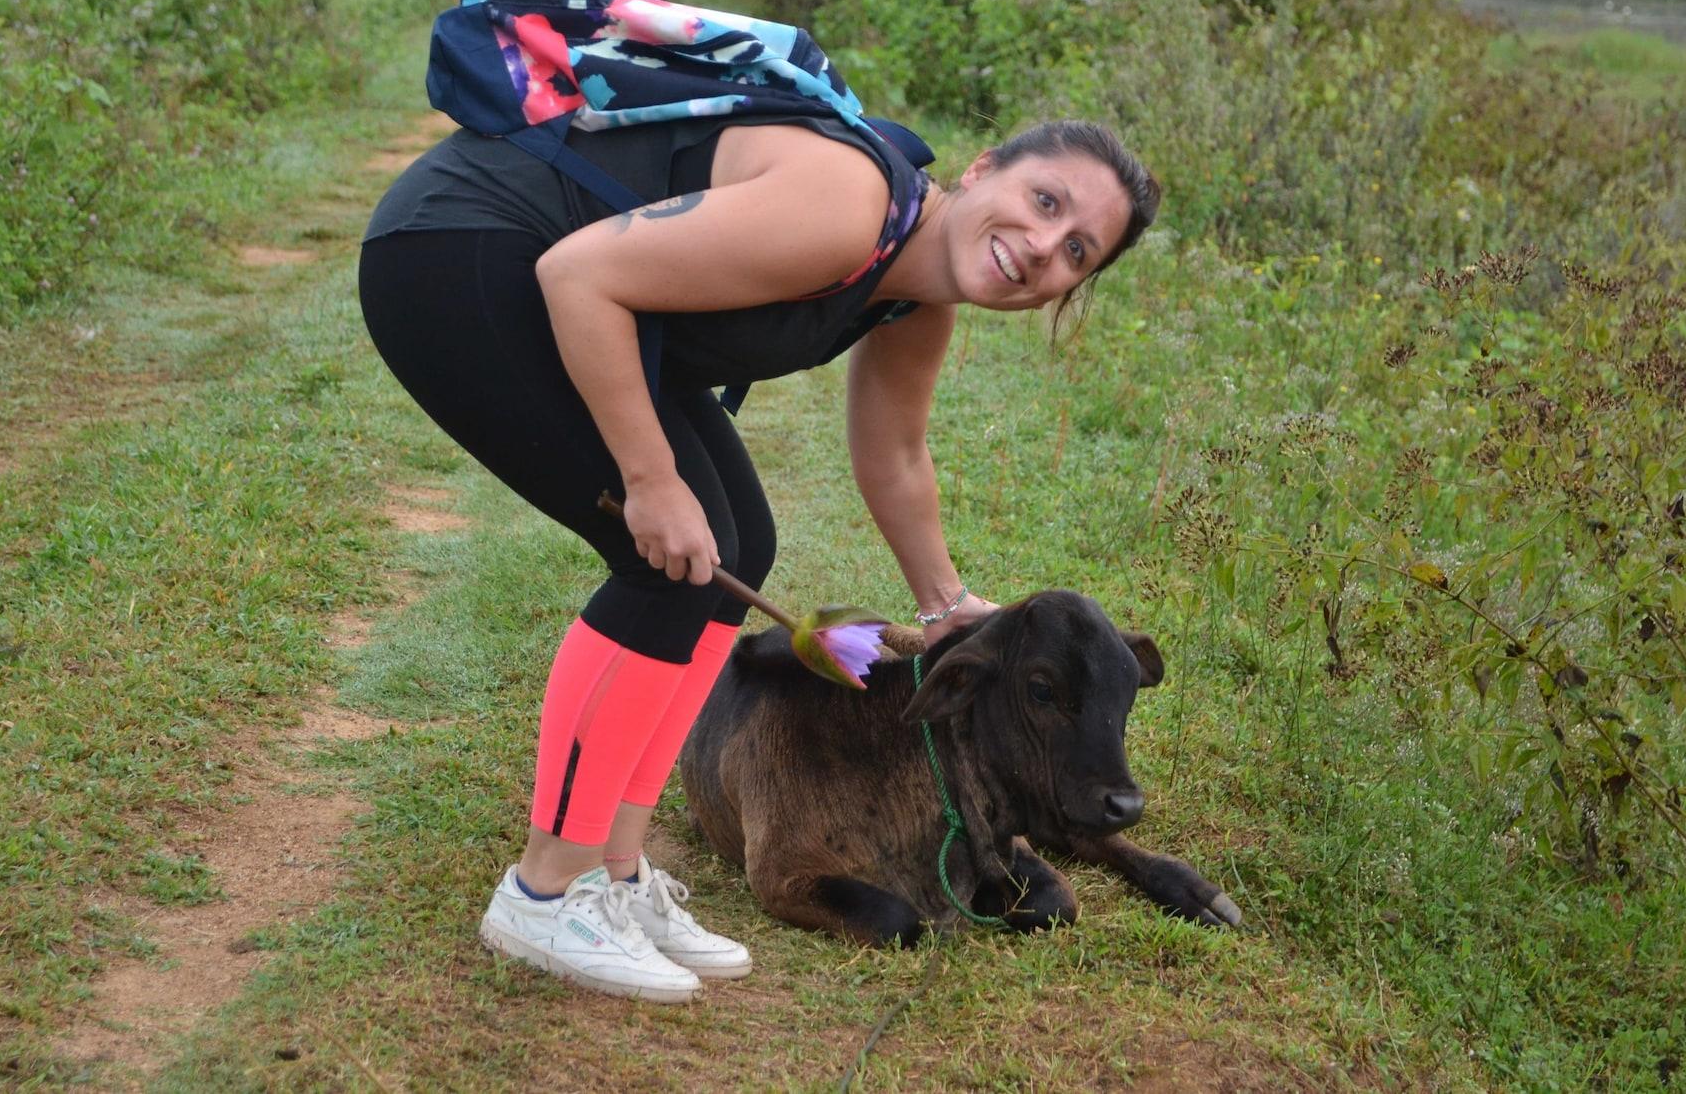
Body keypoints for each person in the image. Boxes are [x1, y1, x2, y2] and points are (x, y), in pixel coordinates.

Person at [358, 108, 1158, 1003]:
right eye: (1043, 201)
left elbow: (893, 455)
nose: (1045, 245)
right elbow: (577, 274)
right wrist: (651, 478)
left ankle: (614, 874)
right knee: (657, 561)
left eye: (1079, 250)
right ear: (981, 171)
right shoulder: (848, 207)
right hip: (459, 249)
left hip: (536, 267)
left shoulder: (914, 296)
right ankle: (546, 890)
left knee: (741, 543)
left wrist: (947, 608)